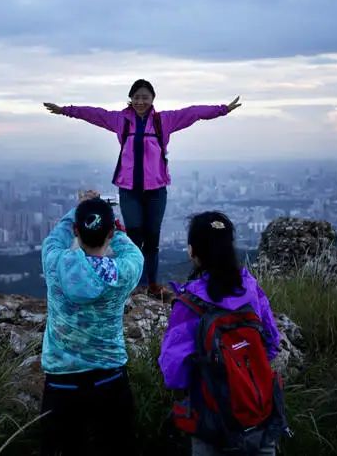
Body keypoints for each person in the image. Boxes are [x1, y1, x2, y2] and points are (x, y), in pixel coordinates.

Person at [43, 80, 241, 297]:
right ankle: (133, 285)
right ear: (131, 98)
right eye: (136, 97)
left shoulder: (163, 121)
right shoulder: (121, 120)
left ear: (152, 99)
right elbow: (93, 114)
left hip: (156, 189)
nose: (140, 101)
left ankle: (152, 285)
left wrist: (222, 110)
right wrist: (65, 111)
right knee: (134, 235)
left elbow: (193, 113)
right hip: (129, 189)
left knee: (153, 238)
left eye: (145, 97)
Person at [158, 212, 285, 456]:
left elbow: (174, 374)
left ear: (192, 252)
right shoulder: (250, 288)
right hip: (259, 414)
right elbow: (271, 343)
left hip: (212, 422)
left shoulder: (189, 304)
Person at [39, 192, 144, 456]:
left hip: (61, 383)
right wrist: (113, 225)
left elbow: (56, 237)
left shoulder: (54, 262)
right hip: (109, 379)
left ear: (76, 229)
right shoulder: (123, 271)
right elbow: (131, 251)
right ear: (110, 233)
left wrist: (79, 208)